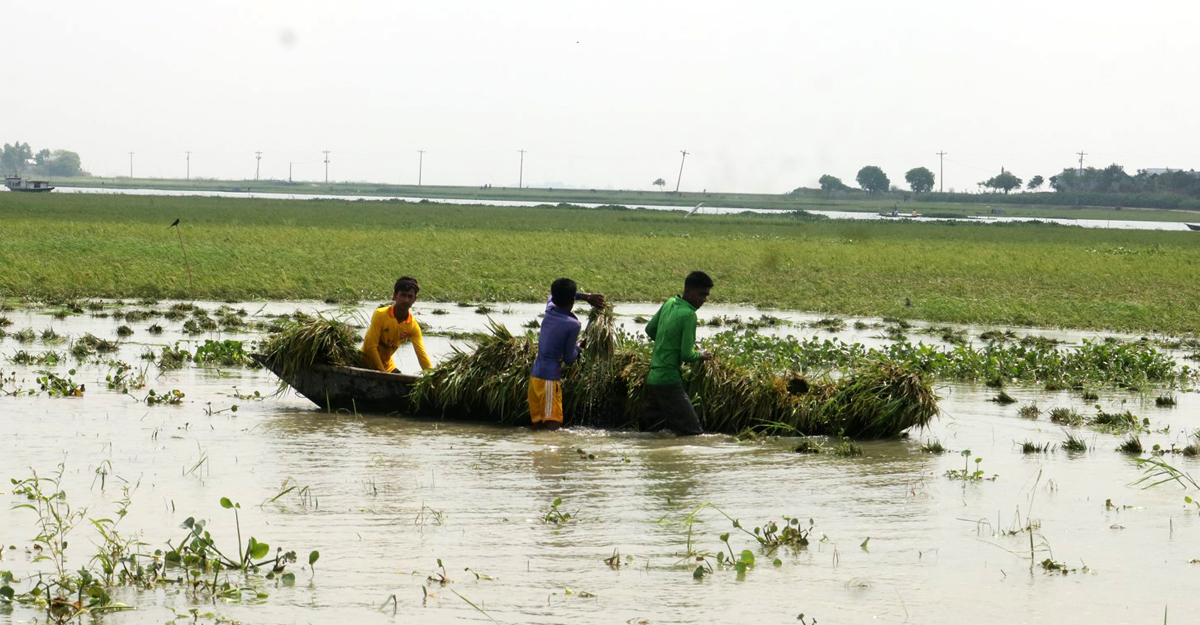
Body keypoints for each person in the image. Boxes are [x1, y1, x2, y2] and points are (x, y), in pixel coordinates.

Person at [527, 278, 605, 430]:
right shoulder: (573, 325)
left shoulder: (550, 308)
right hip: (549, 380)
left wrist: (586, 297)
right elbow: (569, 358)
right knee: (552, 427)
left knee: (537, 427)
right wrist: (579, 346)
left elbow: (554, 294)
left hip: (535, 377)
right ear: (572, 300)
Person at [643, 271, 714, 435]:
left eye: (706, 296)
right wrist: (702, 354)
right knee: (693, 432)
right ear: (688, 291)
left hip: (653, 379)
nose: (704, 300)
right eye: (702, 294)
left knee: (653, 431)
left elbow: (650, 329)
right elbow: (687, 355)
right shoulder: (689, 315)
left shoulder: (669, 302)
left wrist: (667, 343)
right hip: (669, 381)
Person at [361, 276, 433, 373]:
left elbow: (421, 355)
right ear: (395, 296)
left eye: (410, 296)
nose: (406, 300)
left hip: (387, 367)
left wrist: (432, 376)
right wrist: (383, 373)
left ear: (415, 299)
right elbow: (370, 347)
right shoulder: (380, 315)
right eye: (403, 295)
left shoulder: (412, 326)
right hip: (364, 363)